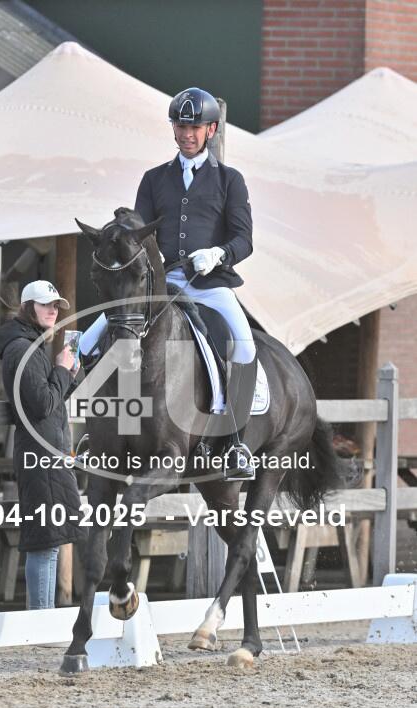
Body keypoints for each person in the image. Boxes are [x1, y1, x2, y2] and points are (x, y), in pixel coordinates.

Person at [134, 87, 257, 479]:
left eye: (194, 127)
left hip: (211, 284)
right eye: (181, 126)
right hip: (164, 282)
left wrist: (218, 253)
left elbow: (244, 239)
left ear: (211, 130)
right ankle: (99, 434)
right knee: (102, 333)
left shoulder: (230, 180)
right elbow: (140, 233)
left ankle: (235, 443)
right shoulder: (154, 179)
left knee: (245, 345)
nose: (186, 134)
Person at [0, 280, 84, 609]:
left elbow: (49, 400)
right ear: (27, 306)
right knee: (44, 544)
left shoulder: (30, 345)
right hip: (40, 455)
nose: (53, 310)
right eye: (45, 304)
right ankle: (40, 621)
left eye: (56, 305)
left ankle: (41, 619)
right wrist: (60, 369)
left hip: (47, 453)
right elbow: (43, 404)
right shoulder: (22, 349)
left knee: (50, 541)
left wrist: (68, 372)